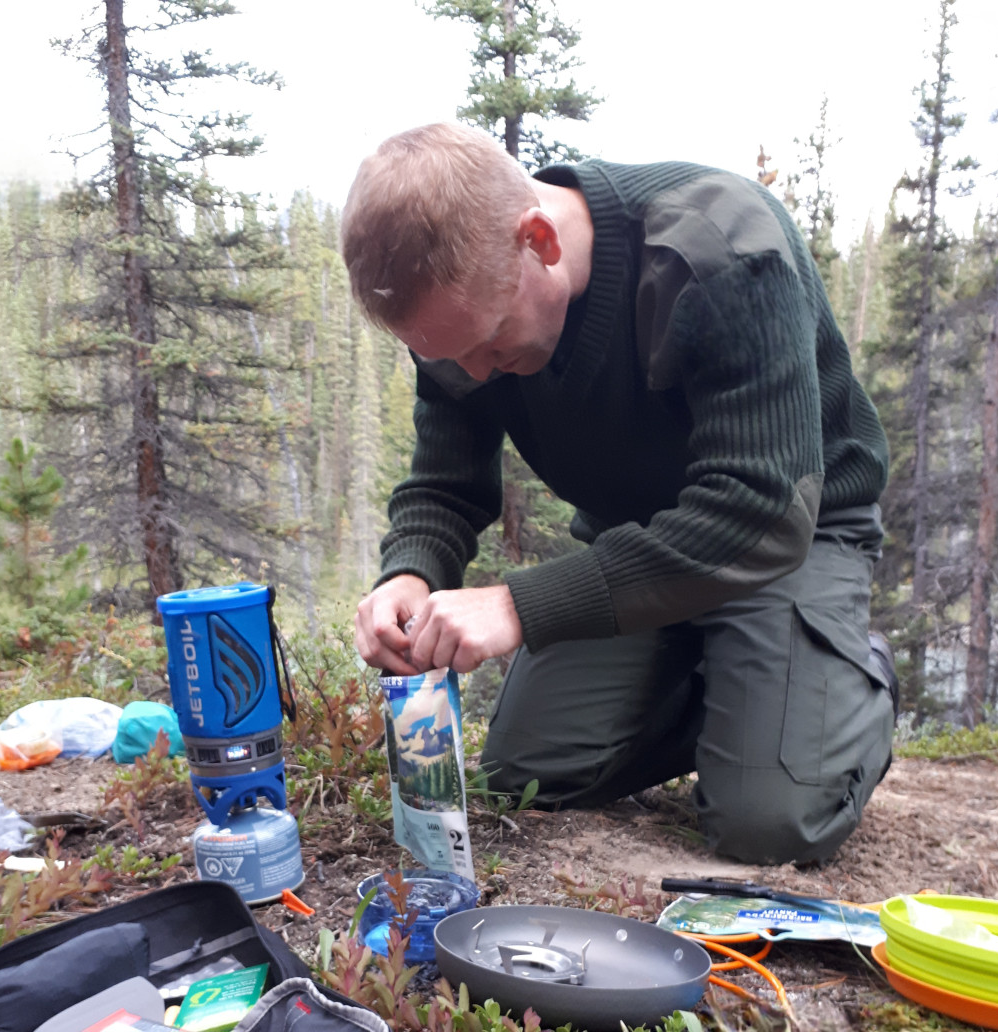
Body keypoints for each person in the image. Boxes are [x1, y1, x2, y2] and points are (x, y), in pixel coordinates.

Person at [340, 122, 897, 865]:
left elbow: (760, 510)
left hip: (788, 535)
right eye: (446, 357)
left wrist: (516, 606)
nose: (472, 374)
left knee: (771, 820)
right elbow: (444, 483)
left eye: (489, 342)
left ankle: (842, 679)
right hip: (639, 546)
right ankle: (747, 688)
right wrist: (409, 572)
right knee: (529, 774)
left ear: (538, 239)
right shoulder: (457, 314)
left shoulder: (722, 249)